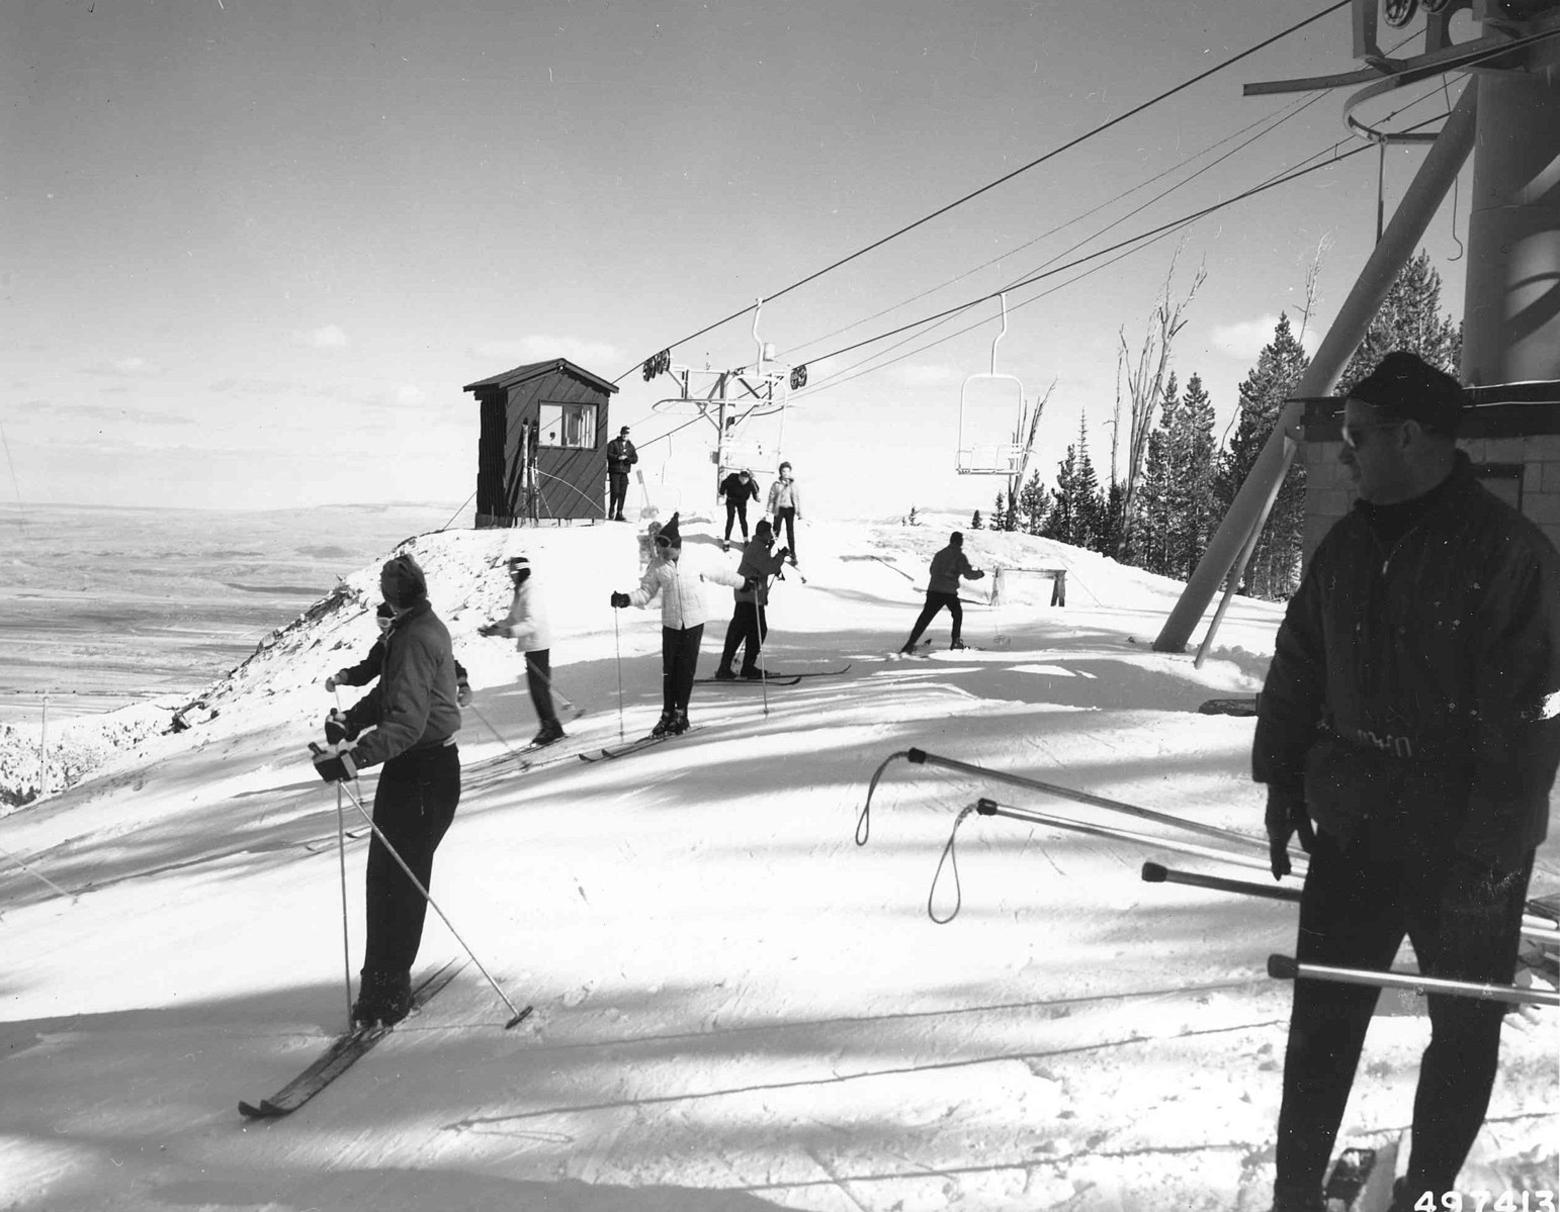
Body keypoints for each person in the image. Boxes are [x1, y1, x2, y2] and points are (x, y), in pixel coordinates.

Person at [1252, 351, 1560, 1212]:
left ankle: (1425, 1192)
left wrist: (1492, 854)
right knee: (1322, 1024)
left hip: (1461, 845)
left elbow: (1534, 721)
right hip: (1353, 828)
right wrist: (1281, 778)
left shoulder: (1509, 556)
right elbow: (1299, 663)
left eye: (1355, 438)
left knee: (1463, 1030)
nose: (1345, 455)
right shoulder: (1348, 544)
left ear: (1411, 436)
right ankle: (1292, 1194)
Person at [316, 553, 465, 1028]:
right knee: (388, 879)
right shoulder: (411, 629)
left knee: (397, 883)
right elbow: (390, 695)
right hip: (417, 767)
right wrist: (351, 722)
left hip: (424, 769)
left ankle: (386, 994)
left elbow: (406, 721)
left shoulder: (416, 636)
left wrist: (353, 757)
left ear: (393, 595)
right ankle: (382, 987)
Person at [609, 512, 741, 736]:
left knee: (685, 669)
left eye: (663, 547)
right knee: (669, 670)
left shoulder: (695, 560)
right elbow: (646, 592)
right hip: (671, 622)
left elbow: (720, 574)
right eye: (658, 548)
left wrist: (744, 583)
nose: (659, 552)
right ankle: (667, 713)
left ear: (674, 544)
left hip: (693, 621)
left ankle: (682, 713)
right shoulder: (658, 566)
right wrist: (626, 599)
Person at [478, 555, 564, 747]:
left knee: (539, 688)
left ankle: (551, 727)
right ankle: (550, 725)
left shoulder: (531, 592)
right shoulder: (521, 591)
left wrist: (508, 632)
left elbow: (532, 623)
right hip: (530, 645)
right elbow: (513, 618)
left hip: (538, 644)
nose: (510, 576)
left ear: (521, 572)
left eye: (513, 572)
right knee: (537, 688)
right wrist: (494, 628)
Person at [326, 601, 472, 707]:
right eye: (379, 623)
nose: (381, 629)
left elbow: (446, 663)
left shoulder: (420, 642)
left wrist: (463, 685)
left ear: (396, 621)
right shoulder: (383, 647)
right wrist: (341, 678)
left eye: (384, 623)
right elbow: (367, 670)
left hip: (428, 707)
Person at [714, 517, 791, 680]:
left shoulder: (759, 546)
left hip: (751, 596)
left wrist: (773, 556)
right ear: (763, 533)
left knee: (747, 631)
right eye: (769, 532)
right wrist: (781, 557)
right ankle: (741, 667)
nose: (771, 536)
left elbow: (764, 566)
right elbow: (767, 567)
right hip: (749, 596)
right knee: (752, 631)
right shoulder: (756, 547)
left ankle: (733, 666)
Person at [899, 531, 985, 653]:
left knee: (925, 618)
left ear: (950, 540)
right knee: (957, 614)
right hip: (949, 592)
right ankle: (955, 642)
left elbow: (932, 570)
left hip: (933, 590)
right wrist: (979, 574)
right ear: (960, 542)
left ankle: (909, 644)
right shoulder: (959, 556)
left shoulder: (940, 554)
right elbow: (968, 574)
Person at [718, 467, 761, 551]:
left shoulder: (751, 483)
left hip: (742, 502)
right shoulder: (732, 478)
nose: (743, 480)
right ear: (739, 476)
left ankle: (746, 540)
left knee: (743, 520)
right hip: (731, 500)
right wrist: (722, 493)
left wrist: (756, 498)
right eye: (741, 477)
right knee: (730, 519)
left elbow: (756, 491)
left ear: (749, 478)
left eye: (745, 478)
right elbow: (723, 484)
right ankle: (726, 540)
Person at [766, 461, 801, 563]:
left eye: (787, 471)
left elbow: (797, 498)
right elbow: (771, 497)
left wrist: (799, 512)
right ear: (780, 472)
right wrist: (768, 510)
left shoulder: (793, 484)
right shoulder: (776, 484)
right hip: (779, 509)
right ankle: (768, 550)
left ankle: (793, 554)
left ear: (790, 472)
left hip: (790, 510)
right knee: (776, 530)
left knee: (790, 531)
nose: (785, 473)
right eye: (783, 471)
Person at [605, 425, 638, 522]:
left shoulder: (630, 446)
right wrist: (617, 457)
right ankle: (611, 510)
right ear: (621, 433)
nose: (625, 435)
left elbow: (635, 458)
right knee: (614, 491)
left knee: (622, 493)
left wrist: (628, 459)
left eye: (627, 434)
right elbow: (607, 454)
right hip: (614, 472)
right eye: (623, 433)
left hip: (624, 473)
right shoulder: (613, 443)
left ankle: (619, 513)